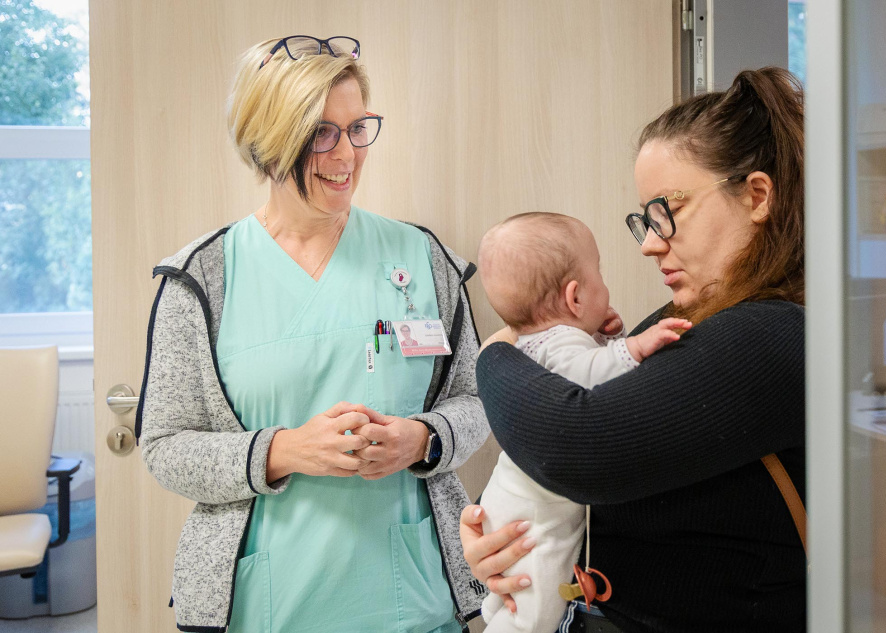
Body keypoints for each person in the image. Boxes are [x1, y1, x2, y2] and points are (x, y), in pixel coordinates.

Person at [135, 36, 489, 633]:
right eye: (321, 132)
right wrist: (284, 451)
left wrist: (423, 438)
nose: (347, 154)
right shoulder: (203, 279)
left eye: (358, 129)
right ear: (269, 140)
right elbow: (165, 447)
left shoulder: (422, 258)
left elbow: (476, 399)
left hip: (413, 600)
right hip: (267, 605)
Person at [462, 67, 806, 633]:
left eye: (668, 211)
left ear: (756, 196)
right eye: (645, 220)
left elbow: (576, 445)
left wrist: (500, 348)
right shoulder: (692, 316)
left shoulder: (773, 333)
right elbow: (547, 439)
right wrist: (498, 531)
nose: (649, 243)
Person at [475, 212, 690, 633]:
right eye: (599, 273)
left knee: (516, 587)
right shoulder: (562, 341)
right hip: (536, 509)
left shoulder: (531, 341)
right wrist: (631, 348)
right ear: (574, 298)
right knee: (536, 603)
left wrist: (606, 338)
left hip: (514, 494)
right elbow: (585, 379)